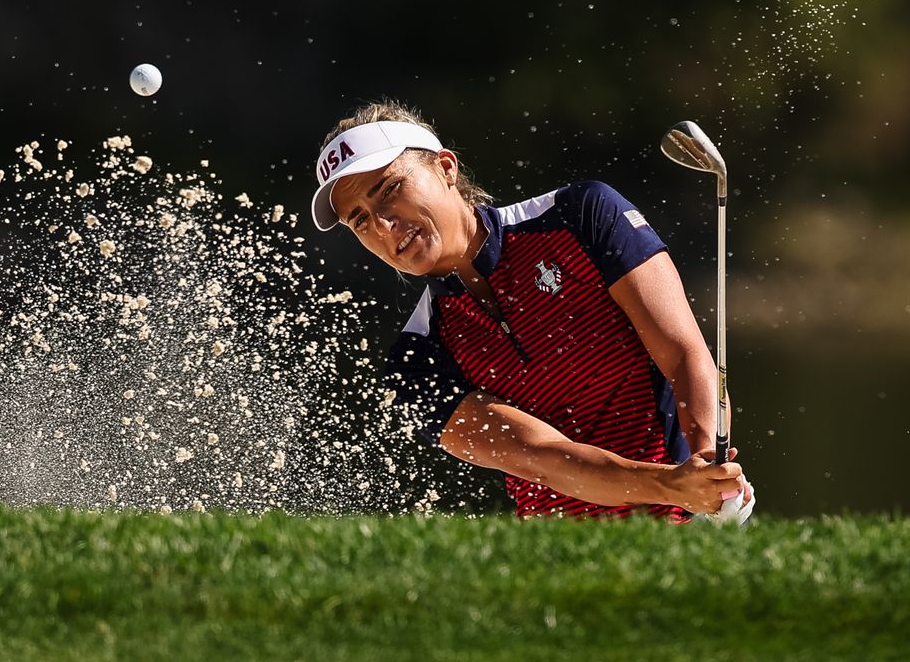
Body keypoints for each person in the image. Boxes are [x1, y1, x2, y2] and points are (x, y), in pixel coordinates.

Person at [310, 101, 754, 521]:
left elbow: (684, 355)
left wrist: (707, 472)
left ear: (445, 167)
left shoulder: (581, 216)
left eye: (389, 189)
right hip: (559, 566)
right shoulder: (416, 359)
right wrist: (672, 486)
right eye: (361, 220)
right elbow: (542, 457)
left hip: (690, 527)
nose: (383, 225)